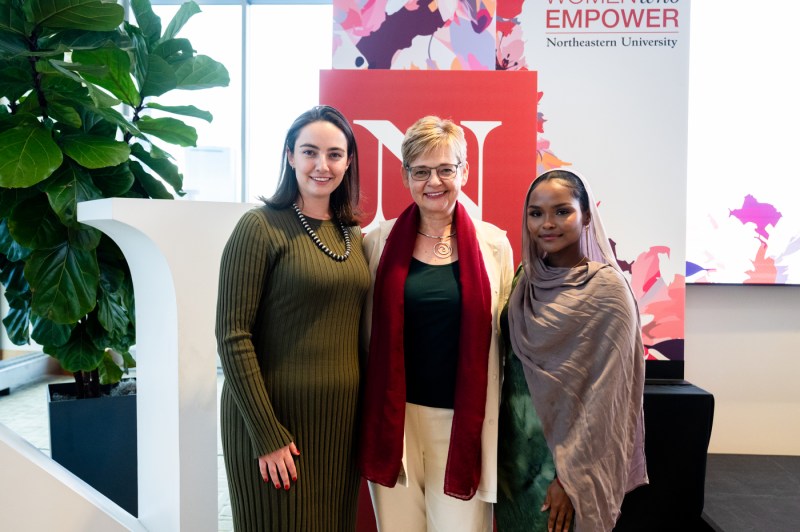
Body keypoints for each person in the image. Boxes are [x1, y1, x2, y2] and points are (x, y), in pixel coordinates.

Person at [215, 105, 370, 531]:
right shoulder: (259, 228)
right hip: (275, 425)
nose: (322, 165)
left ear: (349, 161)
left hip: (339, 429)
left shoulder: (351, 234)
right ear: (289, 156)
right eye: (309, 152)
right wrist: (267, 434)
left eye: (335, 154)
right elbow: (232, 337)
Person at [359, 116, 514, 531]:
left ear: (464, 171)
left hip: (465, 423)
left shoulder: (494, 246)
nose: (435, 181)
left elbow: (508, 345)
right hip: (395, 423)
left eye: (446, 169)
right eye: (422, 171)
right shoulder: (377, 243)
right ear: (405, 175)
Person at [495, 169, 648, 532]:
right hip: (513, 462)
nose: (547, 223)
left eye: (562, 211)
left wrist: (570, 479)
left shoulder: (608, 291)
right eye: (536, 213)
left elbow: (606, 400)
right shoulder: (523, 281)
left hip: (565, 470)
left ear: (587, 217)